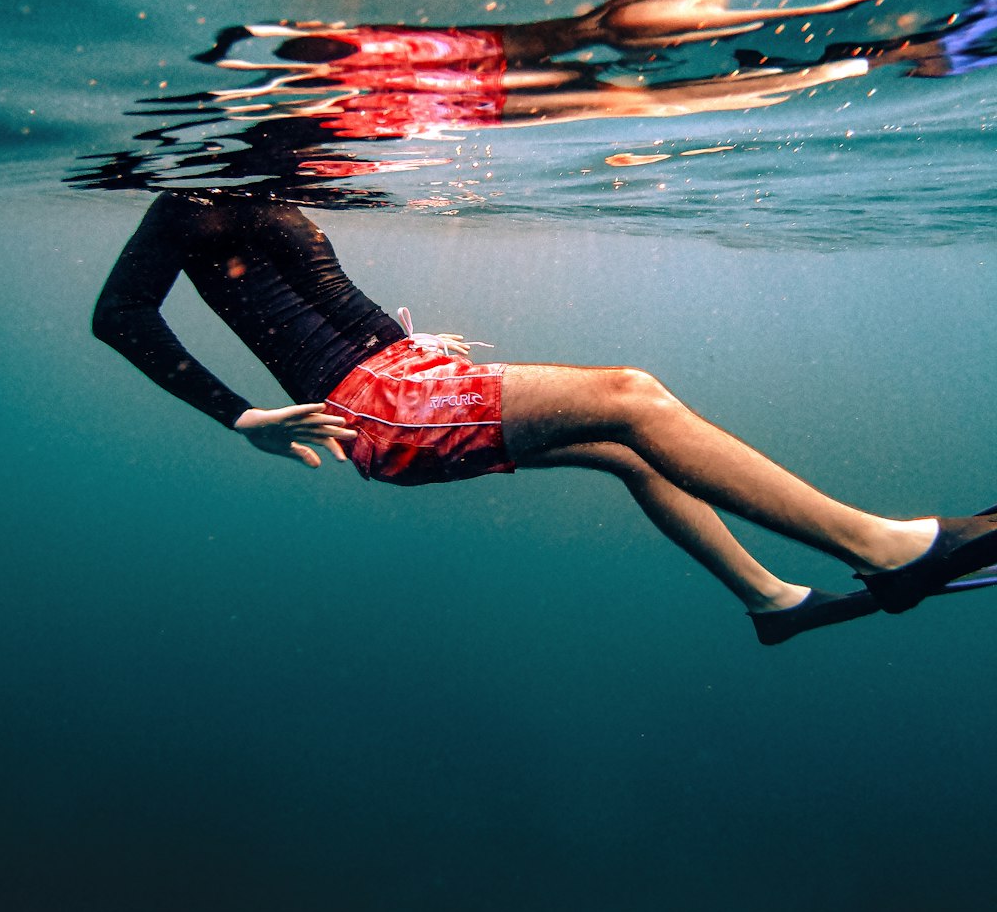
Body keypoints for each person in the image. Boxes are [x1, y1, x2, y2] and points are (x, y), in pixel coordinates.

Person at [93, 192, 997, 645]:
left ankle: (773, 602)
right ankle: (890, 550)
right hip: (375, 409)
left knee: (629, 450)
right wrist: (241, 415)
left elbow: (312, 296)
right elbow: (120, 316)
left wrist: (402, 338)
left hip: (402, 371)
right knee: (631, 398)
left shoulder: (272, 168)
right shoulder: (185, 201)